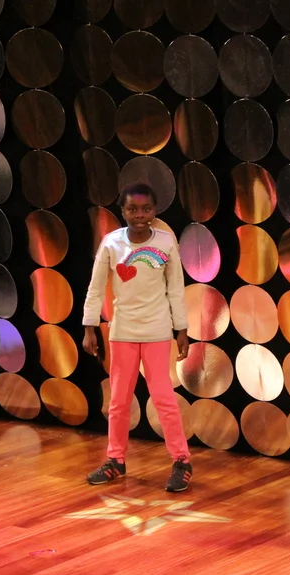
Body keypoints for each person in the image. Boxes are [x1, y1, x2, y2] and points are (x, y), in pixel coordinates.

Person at [81, 183, 193, 492]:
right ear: (123, 211)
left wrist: (182, 329)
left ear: (154, 212)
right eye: (132, 209)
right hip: (123, 332)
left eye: (146, 209)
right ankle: (115, 459)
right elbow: (95, 287)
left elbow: (176, 289)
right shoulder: (111, 243)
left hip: (157, 331)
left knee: (164, 399)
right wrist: (90, 327)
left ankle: (181, 460)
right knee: (118, 400)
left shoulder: (166, 242)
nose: (139, 215)